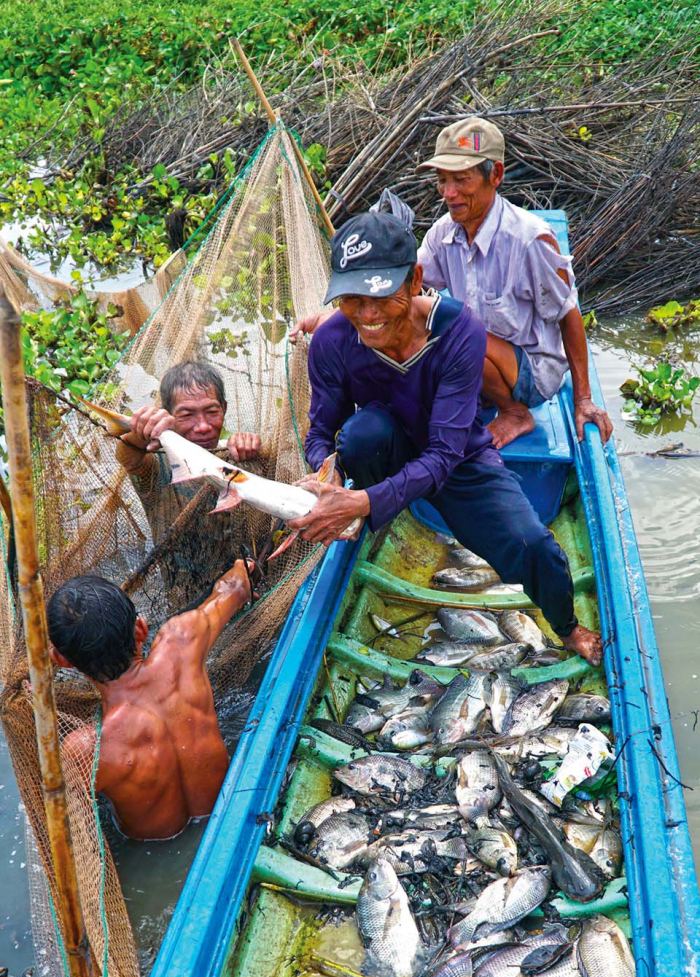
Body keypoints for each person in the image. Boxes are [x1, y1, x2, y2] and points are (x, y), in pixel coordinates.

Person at [286, 210, 602, 665]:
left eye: (380, 297)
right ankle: (379, 518)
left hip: (455, 457)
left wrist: (367, 502)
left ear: (415, 280)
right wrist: (327, 474)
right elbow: (322, 431)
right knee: (359, 436)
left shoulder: (457, 331)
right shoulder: (333, 340)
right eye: (352, 299)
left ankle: (568, 628)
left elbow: (444, 453)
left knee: (534, 545)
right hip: (387, 451)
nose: (367, 314)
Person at [415, 117, 613, 448]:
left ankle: (516, 413)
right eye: (442, 181)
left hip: (531, 372)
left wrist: (583, 399)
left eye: (461, 180)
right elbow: (408, 284)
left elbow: (568, 313)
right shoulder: (442, 233)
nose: (449, 194)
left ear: (496, 176)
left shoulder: (529, 240)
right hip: (481, 361)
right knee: (414, 318)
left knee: (456, 336)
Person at [47, 562, 253, 841]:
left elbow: (74, 835)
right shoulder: (183, 639)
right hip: (230, 807)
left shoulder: (85, 751)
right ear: (141, 629)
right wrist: (243, 566)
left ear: (62, 661)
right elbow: (237, 588)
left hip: (157, 853)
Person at [116, 360, 260, 544]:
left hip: (247, 569)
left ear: (224, 408)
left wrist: (252, 446)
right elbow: (128, 457)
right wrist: (140, 432)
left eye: (211, 411)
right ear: (167, 415)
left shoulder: (233, 455)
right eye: (186, 415)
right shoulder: (158, 466)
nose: (202, 426)